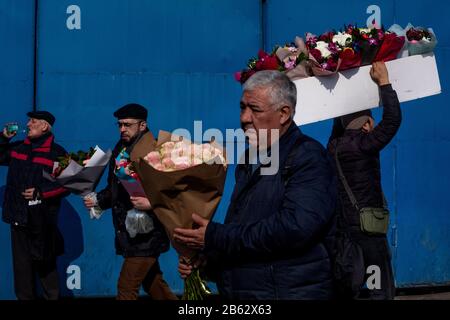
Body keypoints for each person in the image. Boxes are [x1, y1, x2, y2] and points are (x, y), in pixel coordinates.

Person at [174, 70, 337, 300]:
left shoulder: (308, 157)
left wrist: (216, 237)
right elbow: (245, 229)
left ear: (283, 114)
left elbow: (295, 228)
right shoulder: (250, 159)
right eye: (243, 107)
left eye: (255, 109)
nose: (244, 118)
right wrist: (208, 259)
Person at [83, 103, 177, 300]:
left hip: (148, 234)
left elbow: (174, 191)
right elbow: (115, 188)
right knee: (154, 284)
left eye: (127, 125)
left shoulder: (156, 149)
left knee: (126, 289)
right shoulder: (121, 148)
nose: (122, 129)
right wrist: (98, 200)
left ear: (142, 125)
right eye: (119, 125)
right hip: (130, 231)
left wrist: (152, 203)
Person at [327, 61, 402, 300]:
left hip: (345, 230)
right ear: (367, 124)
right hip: (367, 232)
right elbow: (392, 121)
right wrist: (384, 83)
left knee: (354, 283)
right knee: (377, 287)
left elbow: (339, 126)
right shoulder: (363, 144)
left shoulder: (334, 146)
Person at [0, 111, 69, 300]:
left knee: (46, 267)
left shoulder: (58, 153)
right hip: (18, 217)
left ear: (44, 126)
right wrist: (3, 138)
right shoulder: (18, 148)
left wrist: (41, 192)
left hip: (42, 220)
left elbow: (68, 184)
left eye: (33, 121)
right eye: (29, 121)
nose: (28, 124)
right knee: (21, 270)